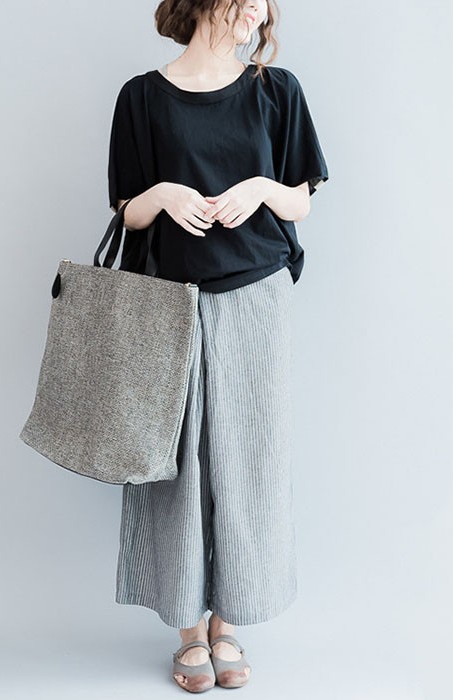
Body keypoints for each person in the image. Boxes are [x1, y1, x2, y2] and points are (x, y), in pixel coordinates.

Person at [107, 0, 329, 692]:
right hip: (168, 303)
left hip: (256, 296)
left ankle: (228, 624)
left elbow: (302, 201)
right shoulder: (143, 96)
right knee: (174, 464)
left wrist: (261, 187)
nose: (259, 9)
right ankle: (186, 630)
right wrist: (164, 194)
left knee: (249, 461)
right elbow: (125, 210)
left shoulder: (276, 90)